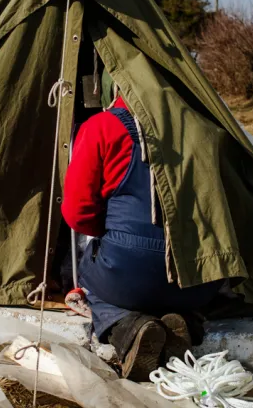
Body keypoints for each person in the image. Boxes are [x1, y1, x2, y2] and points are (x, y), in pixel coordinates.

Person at [62, 95, 222, 381]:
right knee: (180, 287)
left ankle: (129, 328)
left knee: (87, 278)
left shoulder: (103, 126)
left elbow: (78, 213)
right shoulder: (208, 125)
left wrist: (111, 235)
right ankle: (183, 324)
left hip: (126, 270)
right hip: (198, 277)